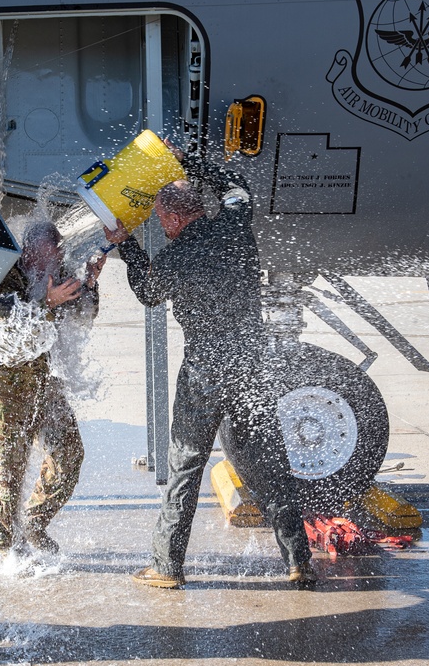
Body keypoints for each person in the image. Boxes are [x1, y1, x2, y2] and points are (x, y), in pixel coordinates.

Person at [103, 160, 315, 591]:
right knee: (269, 462)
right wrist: (188, 161)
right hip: (251, 363)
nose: (161, 226)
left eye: (162, 218)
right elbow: (238, 188)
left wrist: (126, 245)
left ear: (176, 216)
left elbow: (147, 291)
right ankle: (298, 561)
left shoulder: (176, 255)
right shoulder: (236, 225)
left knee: (186, 463)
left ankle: (167, 566)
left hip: (206, 367)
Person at [0, 220, 105, 558]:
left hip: (46, 387)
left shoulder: (57, 273)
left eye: (58, 256)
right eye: (49, 257)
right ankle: (10, 554)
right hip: (9, 393)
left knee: (69, 456)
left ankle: (34, 522)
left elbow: (85, 315)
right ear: (29, 253)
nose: (55, 264)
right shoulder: (4, 277)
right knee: (8, 477)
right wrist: (45, 303)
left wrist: (90, 281)